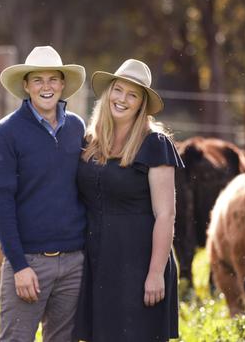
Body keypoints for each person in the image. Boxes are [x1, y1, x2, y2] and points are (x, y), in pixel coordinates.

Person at [73, 59, 183, 341]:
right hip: (97, 260)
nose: (122, 99)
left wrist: (156, 273)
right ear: (108, 92)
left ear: (141, 104)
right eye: (118, 90)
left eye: (132, 94)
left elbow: (166, 215)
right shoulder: (90, 141)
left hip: (139, 263)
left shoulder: (155, 144)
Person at [0, 45, 87, 342]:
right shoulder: (6, 134)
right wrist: (19, 265)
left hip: (73, 263)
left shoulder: (77, 129)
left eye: (53, 79)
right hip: (29, 261)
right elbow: (0, 203)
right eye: (38, 80)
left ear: (63, 84)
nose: (46, 87)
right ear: (26, 86)